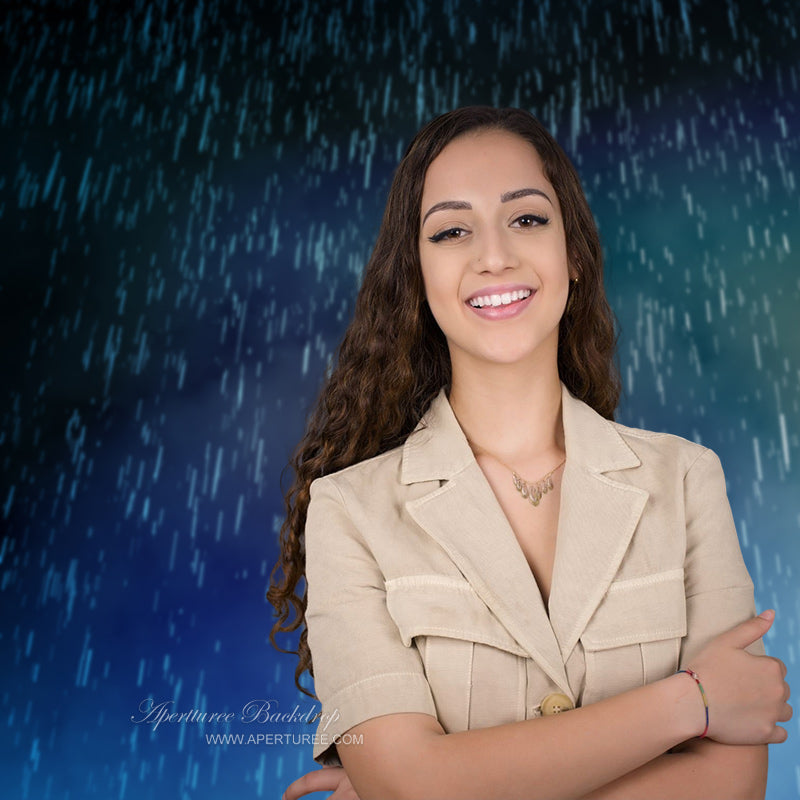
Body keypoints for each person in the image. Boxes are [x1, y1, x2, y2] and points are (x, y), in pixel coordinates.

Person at [268, 106, 792, 800]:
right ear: (416, 277)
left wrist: (441, 782)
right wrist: (690, 702)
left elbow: (732, 785)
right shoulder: (348, 512)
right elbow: (410, 786)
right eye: (452, 230)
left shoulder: (687, 480)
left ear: (572, 251)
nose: (494, 255)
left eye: (527, 219)